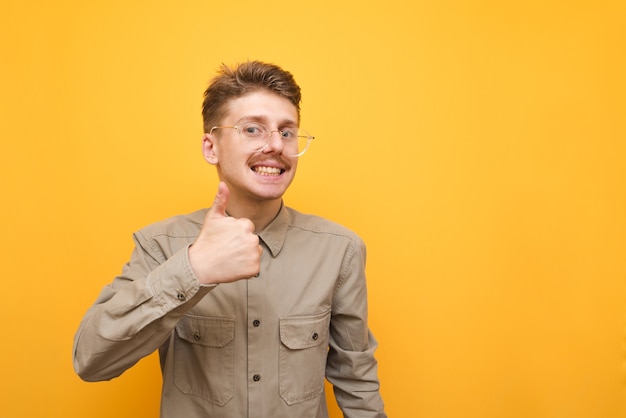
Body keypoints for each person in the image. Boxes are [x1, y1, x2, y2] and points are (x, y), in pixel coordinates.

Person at [73, 60, 386, 418]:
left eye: (287, 132)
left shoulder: (339, 250)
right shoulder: (159, 244)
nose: (276, 146)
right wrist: (193, 270)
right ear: (211, 148)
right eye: (253, 129)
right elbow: (90, 360)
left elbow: (357, 382)